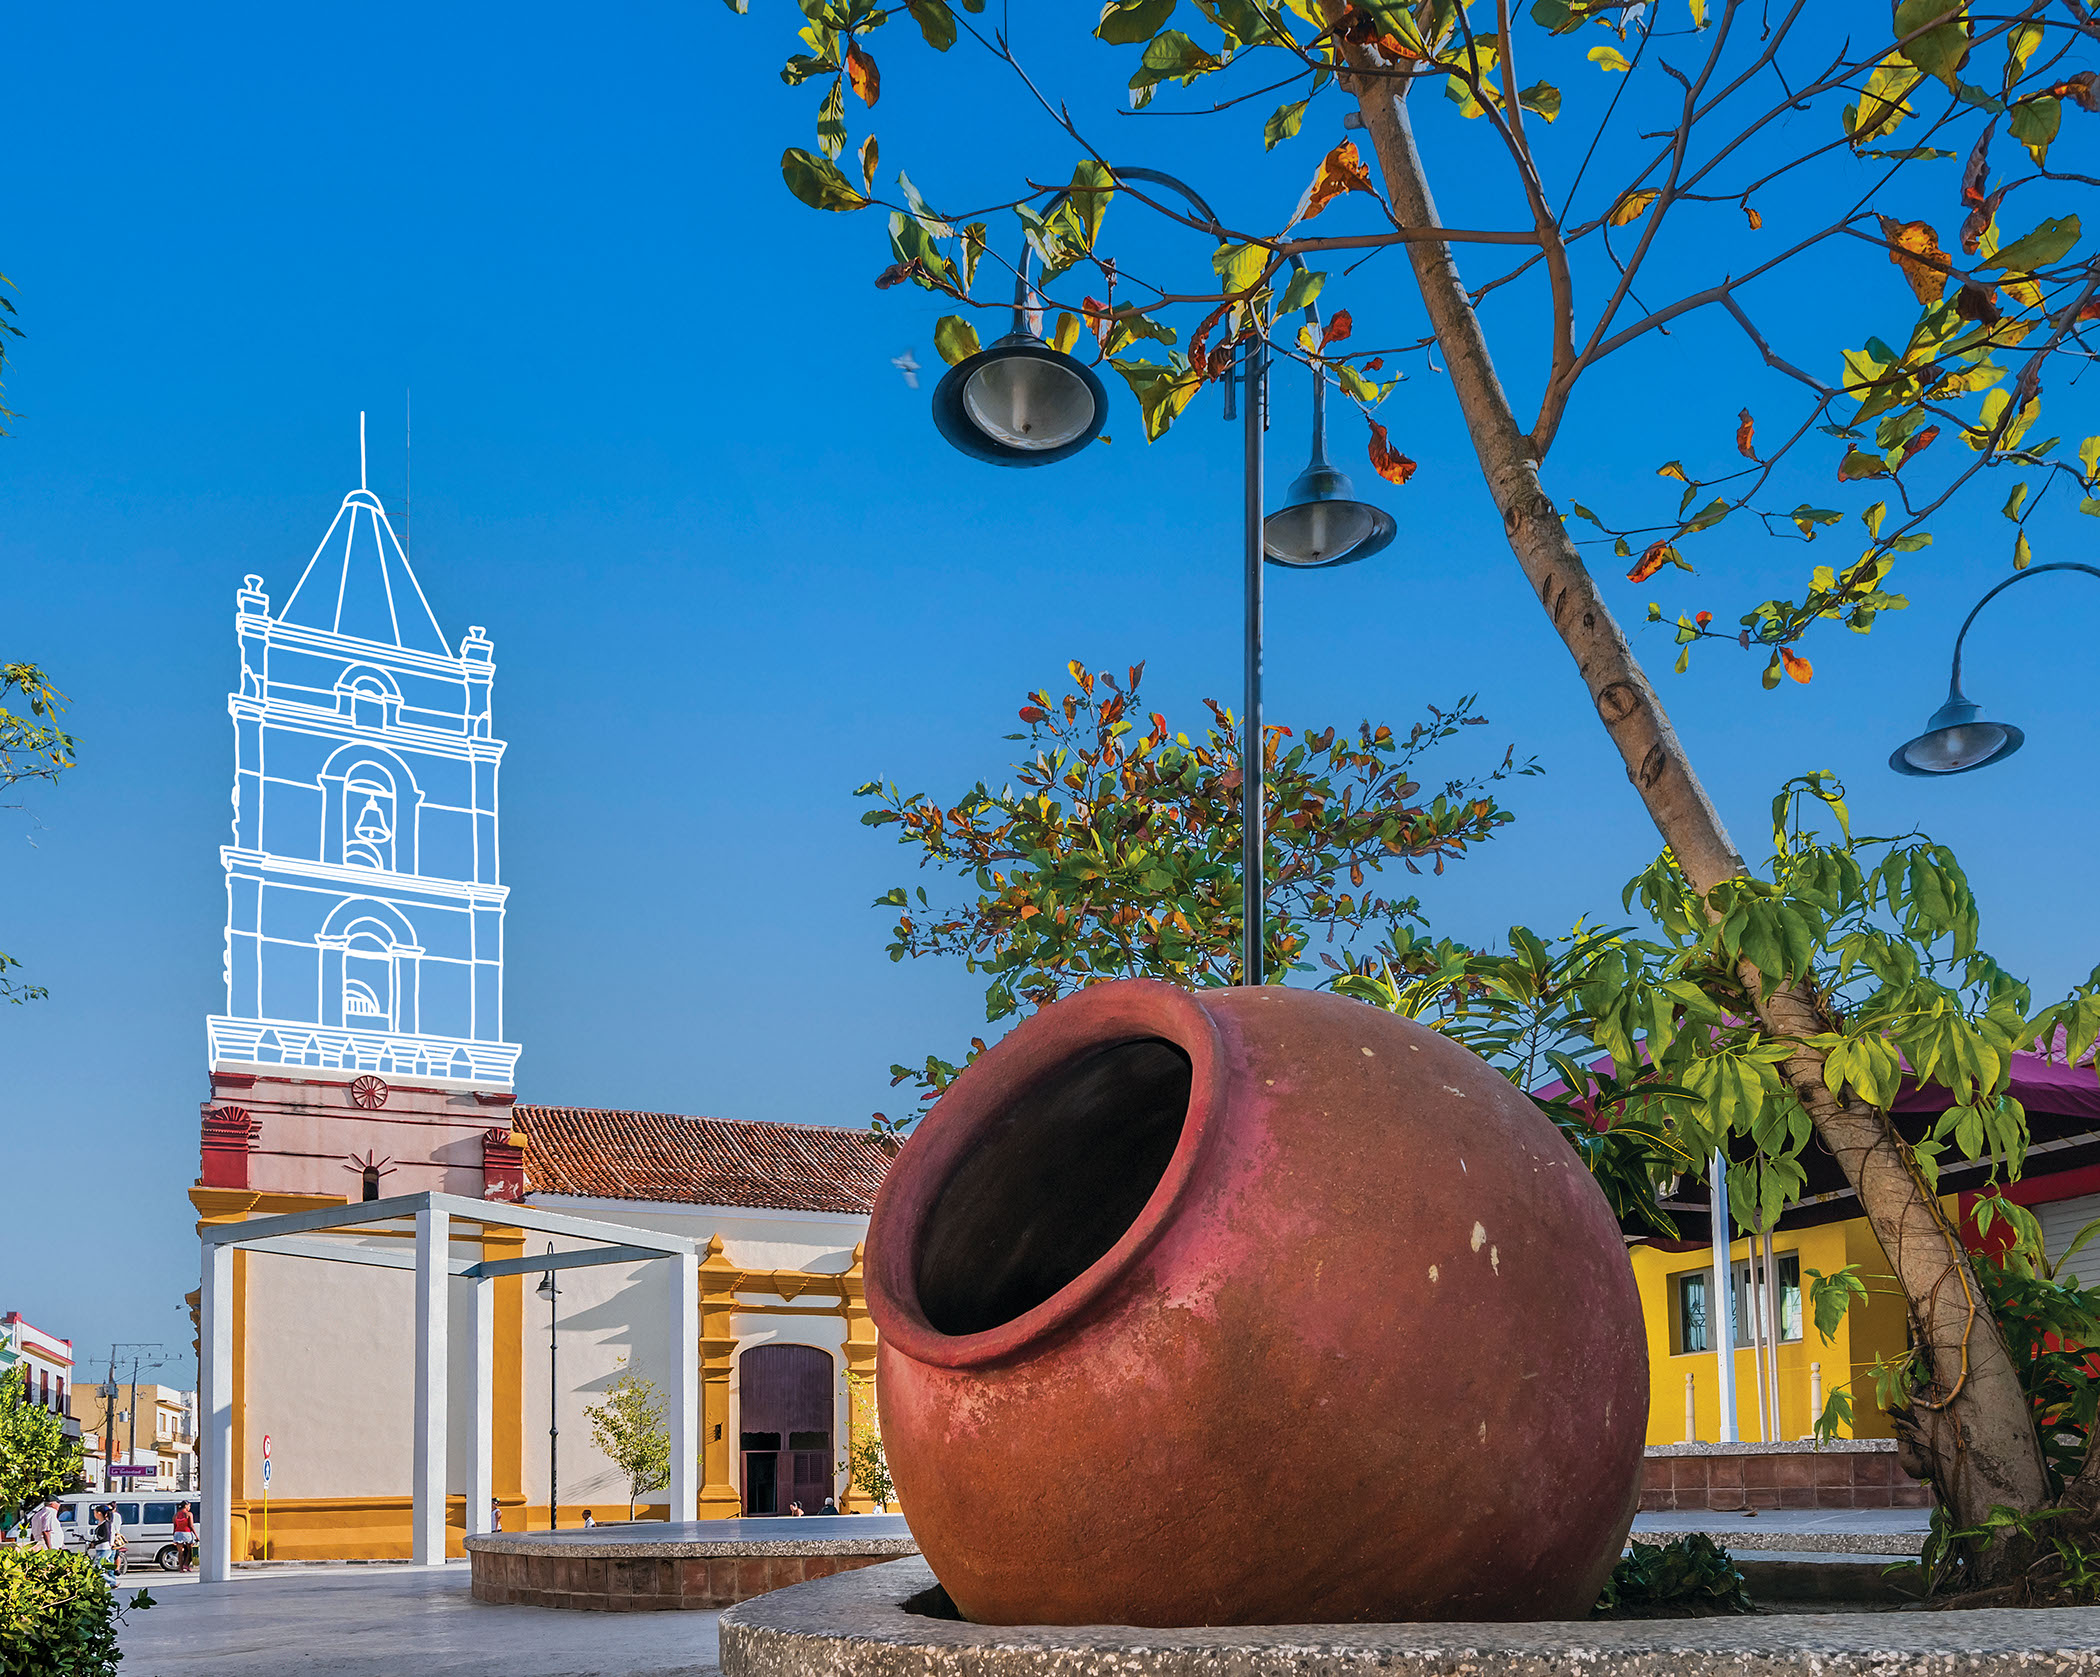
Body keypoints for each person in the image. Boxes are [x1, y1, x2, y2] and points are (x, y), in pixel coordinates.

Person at [172, 1503, 196, 1571]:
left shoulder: (175, 1515)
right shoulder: (189, 1514)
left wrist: (174, 1535)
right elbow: (191, 1526)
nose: (189, 1508)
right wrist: (196, 1536)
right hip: (186, 1533)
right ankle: (186, 1564)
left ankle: (181, 1568)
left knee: (180, 1552)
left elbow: (175, 1526)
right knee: (190, 1550)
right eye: (189, 1506)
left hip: (177, 1533)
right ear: (186, 1506)